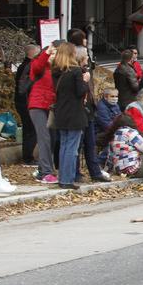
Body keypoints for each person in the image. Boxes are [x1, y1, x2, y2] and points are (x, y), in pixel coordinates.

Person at [51, 42, 90, 190]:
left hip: (61, 111)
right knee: (72, 148)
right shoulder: (75, 71)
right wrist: (85, 81)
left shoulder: (56, 71)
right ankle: (68, 179)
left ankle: (63, 177)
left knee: (64, 146)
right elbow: (80, 92)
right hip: (74, 112)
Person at [28, 40, 61, 184]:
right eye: (52, 53)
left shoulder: (57, 70)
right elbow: (36, 67)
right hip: (37, 106)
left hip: (51, 107)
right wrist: (47, 53)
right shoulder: (41, 67)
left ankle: (42, 169)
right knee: (44, 138)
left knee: (52, 139)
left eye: (56, 54)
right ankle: (46, 172)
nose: (54, 56)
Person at [14, 43, 41, 165]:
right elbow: (25, 87)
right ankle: (28, 157)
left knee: (28, 129)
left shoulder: (23, 66)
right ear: (32, 53)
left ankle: (27, 155)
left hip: (23, 101)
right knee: (31, 129)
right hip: (26, 102)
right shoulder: (29, 66)